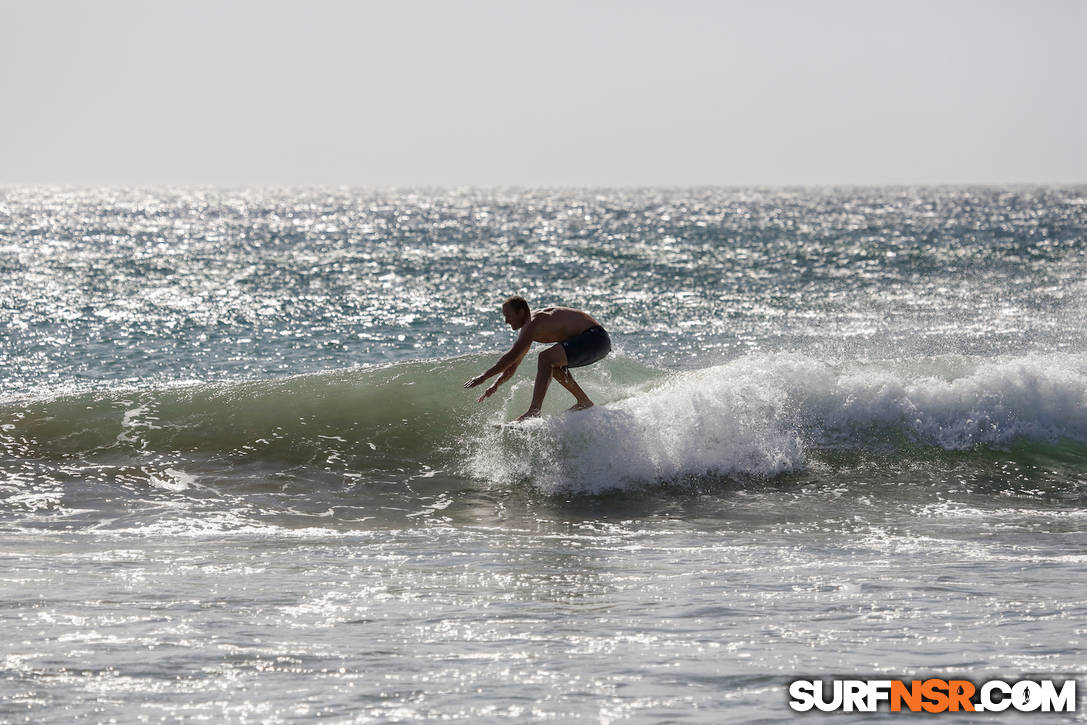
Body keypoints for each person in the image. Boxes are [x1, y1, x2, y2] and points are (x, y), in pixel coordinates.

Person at [464, 296, 612, 422]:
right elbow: (514, 363)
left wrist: (483, 377)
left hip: (595, 338)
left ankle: (534, 410)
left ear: (521, 312)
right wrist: (497, 383)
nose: (506, 321)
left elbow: (511, 355)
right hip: (596, 342)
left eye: (508, 316)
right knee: (552, 364)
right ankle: (583, 401)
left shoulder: (533, 323)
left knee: (546, 357)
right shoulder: (529, 328)